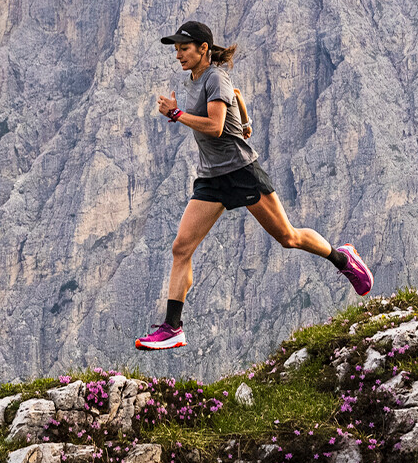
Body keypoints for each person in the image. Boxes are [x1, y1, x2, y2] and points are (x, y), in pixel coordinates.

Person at [135, 21, 373, 351]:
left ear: (203, 49)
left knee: (288, 237)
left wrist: (176, 114)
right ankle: (173, 327)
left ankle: (343, 259)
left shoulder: (214, 76)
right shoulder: (195, 80)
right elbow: (236, 96)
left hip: (241, 172)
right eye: (175, 49)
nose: (177, 55)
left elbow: (216, 127)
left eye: (184, 49)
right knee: (181, 247)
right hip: (211, 178)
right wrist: (245, 122)